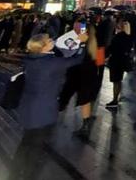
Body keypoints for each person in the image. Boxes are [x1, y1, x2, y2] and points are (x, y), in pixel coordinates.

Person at [9, 32, 88, 180]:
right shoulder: (52, 63)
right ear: (43, 47)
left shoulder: (31, 59)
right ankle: (27, 176)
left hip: (28, 108)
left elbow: (57, 54)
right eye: (49, 40)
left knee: (26, 143)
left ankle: (13, 174)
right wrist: (82, 43)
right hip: (43, 112)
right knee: (36, 149)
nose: (52, 40)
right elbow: (78, 59)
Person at [105, 18, 133, 109]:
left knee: (115, 81)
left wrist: (104, 56)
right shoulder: (128, 37)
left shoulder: (117, 37)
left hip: (115, 61)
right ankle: (116, 98)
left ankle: (114, 100)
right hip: (122, 61)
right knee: (119, 80)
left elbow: (111, 48)